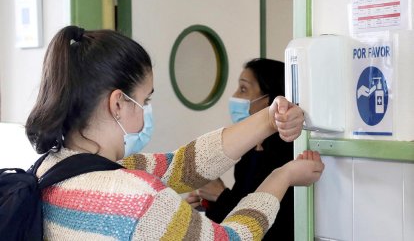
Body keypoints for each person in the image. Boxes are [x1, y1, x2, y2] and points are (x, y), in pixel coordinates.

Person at [25, 26, 324, 240]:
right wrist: (281, 178)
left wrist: (270, 120)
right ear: (118, 103)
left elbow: (185, 165)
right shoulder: (139, 199)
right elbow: (231, 238)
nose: (146, 111)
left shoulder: (51, 169)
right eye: (144, 101)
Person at [186, 58, 295, 240]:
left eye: (243, 89)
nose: (235, 96)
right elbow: (235, 220)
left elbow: (270, 224)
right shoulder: (249, 151)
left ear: (270, 100)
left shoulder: (287, 155)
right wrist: (207, 205)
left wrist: (220, 196)